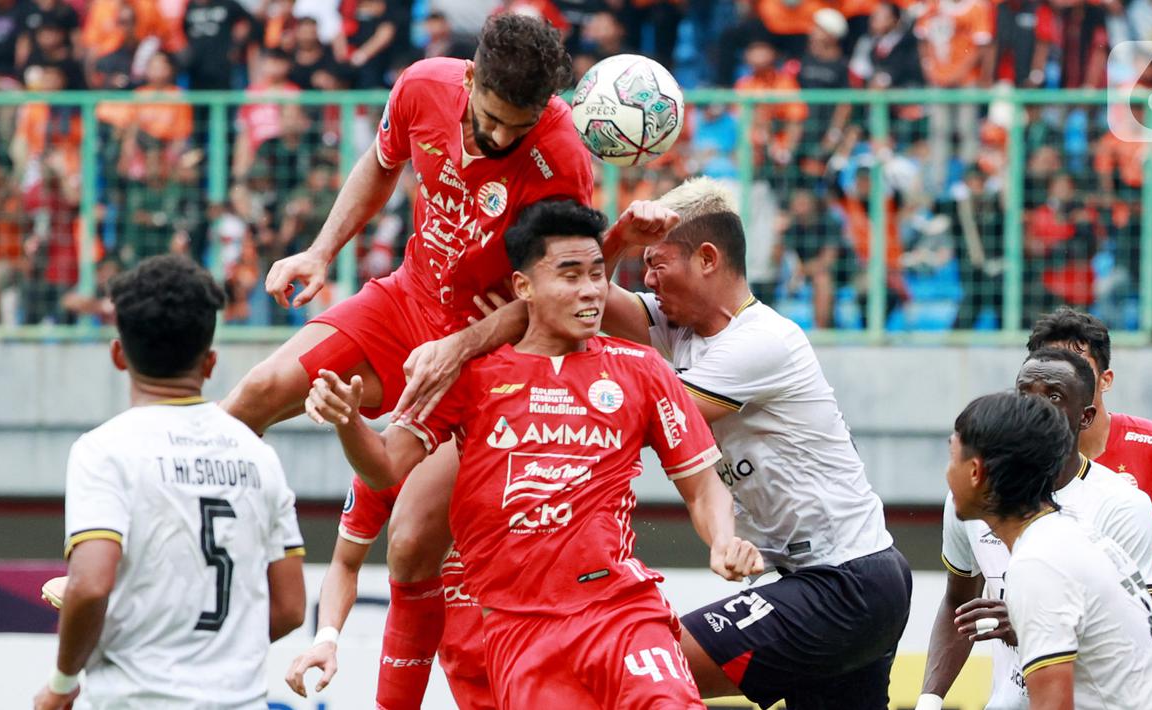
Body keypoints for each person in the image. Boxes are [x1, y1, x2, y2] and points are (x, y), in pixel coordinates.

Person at [221, 14, 674, 707]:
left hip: (481, 349)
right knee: (258, 389)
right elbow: (378, 167)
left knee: (407, 545)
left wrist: (458, 347)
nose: (499, 139)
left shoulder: (562, 160)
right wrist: (319, 252)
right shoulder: (420, 87)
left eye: (516, 127)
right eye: (489, 119)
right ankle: (145, 544)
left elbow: (552, 294)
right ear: (468, 79)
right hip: (401, 302)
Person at [305, 200, 762, 708]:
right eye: (569, 275)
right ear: (523, 289)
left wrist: (722, 540)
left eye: (596, 274)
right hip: (520, 632)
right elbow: (385, 466)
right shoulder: (471, 379)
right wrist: (349, 422)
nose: (590, 290)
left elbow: (701, 486)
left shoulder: (642, 369)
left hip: (621, 611)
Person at [596, 177, 912, 709]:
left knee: (650, 669)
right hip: (847, 579)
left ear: (708, 259)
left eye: (656, 263)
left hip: (843, 583)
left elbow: (656, 419)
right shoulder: (682, 327)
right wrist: (617, 240)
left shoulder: (761, 341)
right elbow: (592, 299)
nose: (646, 278)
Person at [33, 255, 306, 710]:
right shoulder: (258, 456)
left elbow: (92, 585)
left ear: (119, 355)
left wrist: (61, 686)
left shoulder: (103, 451)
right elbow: (290, 608)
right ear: (211, 362)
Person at [918, 347, 1152, 710]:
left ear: (1086, 416)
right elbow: (959, 602)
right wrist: (929, 701)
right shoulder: (971, 505)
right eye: (1024, 393)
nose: (1035, 406)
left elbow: (1143, 642)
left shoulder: (1116, 509)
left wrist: (1035, 628)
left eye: (1054, 396)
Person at [1028, 307, 1152, 709]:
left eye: (1078, 367)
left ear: (1105, 380)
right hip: (1067, 659)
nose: (1063, 381)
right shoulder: (1021, 463)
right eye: (1051, 369)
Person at [283, 473, 493, 709]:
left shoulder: (509, 457)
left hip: (524, 652)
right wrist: (326, 639)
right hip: (465, 669)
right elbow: (344, 564)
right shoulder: (388, 463)